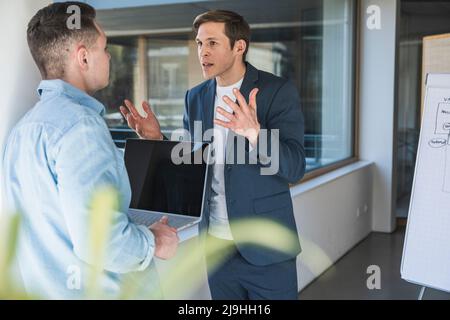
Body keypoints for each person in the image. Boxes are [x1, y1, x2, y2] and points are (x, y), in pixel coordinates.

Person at [120, 10, 306, 300]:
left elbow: (294, 168)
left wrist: (255, 134)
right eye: (198, 44)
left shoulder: (276, 91)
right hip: (216, 248)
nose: (202, 52)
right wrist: (157, 140)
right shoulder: (195, 97)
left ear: (239, 46)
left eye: (212, 43)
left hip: (267, 249)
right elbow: (192, 164)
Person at [2, 2, 178, 299]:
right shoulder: (81, 127)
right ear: (83, 57)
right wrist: (155, 242)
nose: (109, 56)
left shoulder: (24, 131)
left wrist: (151, 144)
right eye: (104, 48)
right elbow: (102, 242)